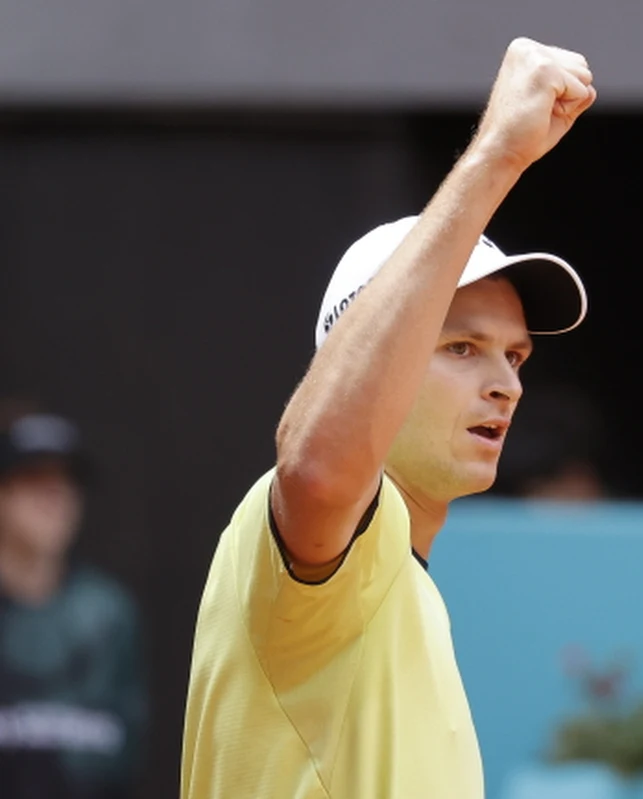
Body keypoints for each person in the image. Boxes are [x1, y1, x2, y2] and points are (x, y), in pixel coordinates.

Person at [180, 38, 596, 799]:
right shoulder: (316, 535)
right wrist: (499, 154)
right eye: (462, 346)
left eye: (515, 356)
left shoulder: (409, 592)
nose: (506, 383)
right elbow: (317, 466)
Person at [0, 401, 147, 799]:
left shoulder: (109, 615)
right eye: (33, 477)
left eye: (66, 481)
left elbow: (120, 761)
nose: (54, 496)